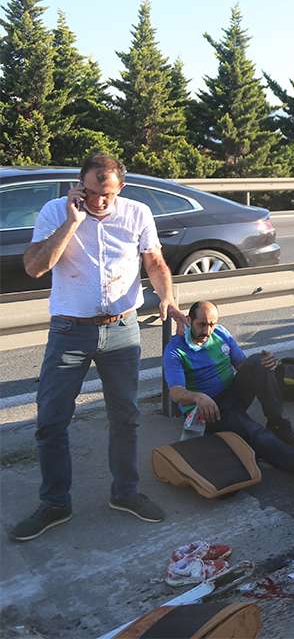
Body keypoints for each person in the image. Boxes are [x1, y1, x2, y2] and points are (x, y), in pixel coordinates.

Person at [9, 153, 185, 542]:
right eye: (89, 193)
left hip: (123, 329)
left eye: (106, 194)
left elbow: (154, 261)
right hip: (70, 330)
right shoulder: (57, 211)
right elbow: (36, 267)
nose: (98, 201)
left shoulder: (137, 213)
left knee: (126, 417)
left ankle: (126, 493)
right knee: (51, 420)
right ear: (79, 185)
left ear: (120, 188)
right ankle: (55, 502)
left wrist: (168, 299)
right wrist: (73, 223)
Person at [164, 301, 294, 482]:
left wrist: (267, 364)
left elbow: (243, 366)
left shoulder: (220, 333)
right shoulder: (175, 350)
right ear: (189, 320)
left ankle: (277, 423)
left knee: (258, 361)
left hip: (231, 395)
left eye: (211, 324)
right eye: (202, 324)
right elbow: (176, 392)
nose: (207, 330)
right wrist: (198, 397)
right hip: (208, 410)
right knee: (253, 431)